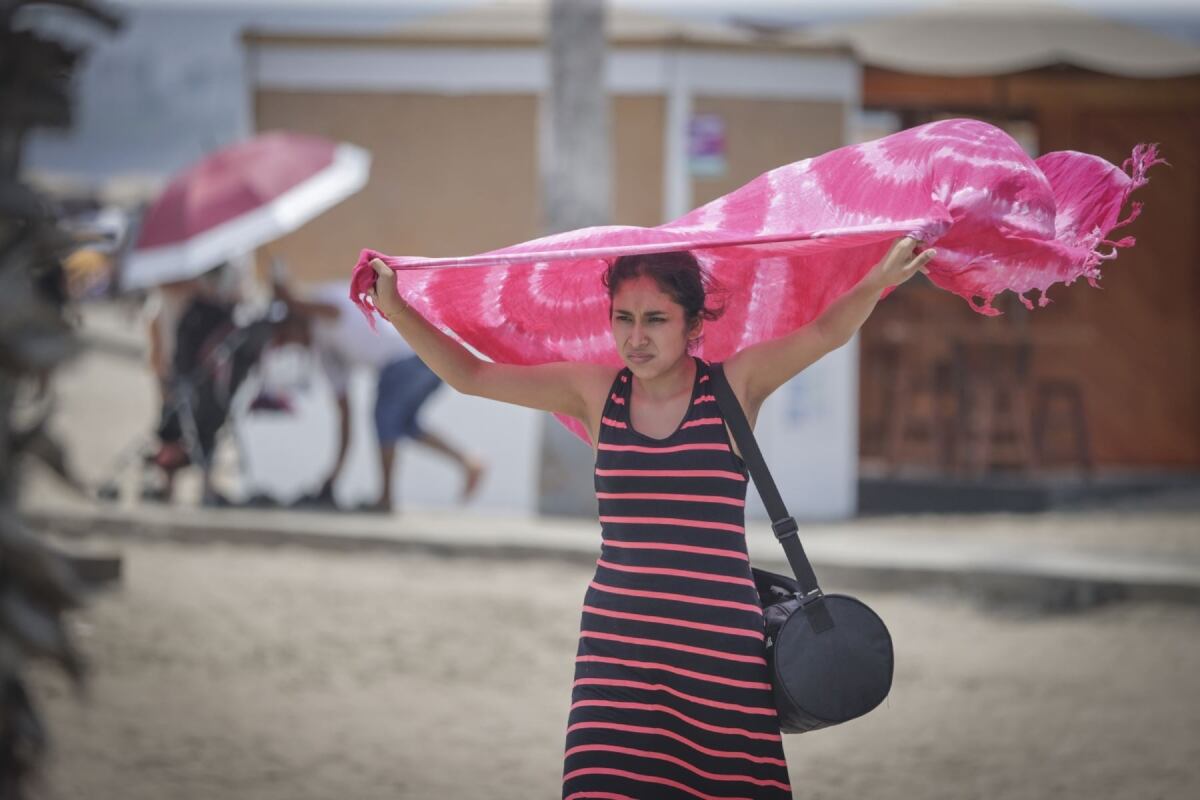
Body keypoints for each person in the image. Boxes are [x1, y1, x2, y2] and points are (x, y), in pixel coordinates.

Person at [367, 236, 933, 798]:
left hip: (718, 664)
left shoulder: (734, 386)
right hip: (617, 657)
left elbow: (824, 333)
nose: (635, 338)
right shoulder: (594, 394)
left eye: (656, 319)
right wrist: (396, 309)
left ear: (693, 325)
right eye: (624, 318)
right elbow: (473, 376)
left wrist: (878, 280)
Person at [281, 281, 485, 512]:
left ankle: (386, 498)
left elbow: (331, 310)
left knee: (385, 419)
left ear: (296, 321)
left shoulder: (323, 307)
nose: (294, 344)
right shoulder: (325, 353)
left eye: (288, 336)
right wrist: (333, 479)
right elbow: (345, 417)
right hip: (423, 356)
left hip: (409, 356)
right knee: (403, 423)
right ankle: (468, 462)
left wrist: (289, 300)